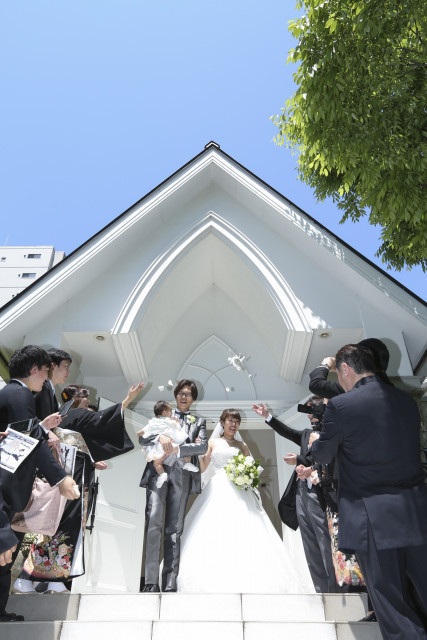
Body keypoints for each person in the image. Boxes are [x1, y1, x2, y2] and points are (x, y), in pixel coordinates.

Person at [311, 344, 427, 640]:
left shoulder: (342, 406)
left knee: (390, 601)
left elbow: (323, 455)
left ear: (346, 369)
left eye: (340, 374)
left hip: (372, 516)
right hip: (415, 511)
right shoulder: (405, 400)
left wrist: (315, 441)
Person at [18, 382, 143, 592]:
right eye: (85, 398)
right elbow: (103, 419)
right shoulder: (74, 415)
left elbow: (81, 446)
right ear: (75, 399)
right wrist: (127, 399)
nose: (88, 402)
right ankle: (50, 580)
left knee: (53, 526)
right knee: (65, 525)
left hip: (63, 473)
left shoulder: (62, 418)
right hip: (71, 478)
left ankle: (31, 578)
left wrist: (92, 460)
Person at [177, 408, 313, 593]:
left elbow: (251, 469)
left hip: (239, 489)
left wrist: (247, 475)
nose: (233, 425)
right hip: (217, 488)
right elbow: (203, 468)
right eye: (230, 420)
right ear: (223, 422)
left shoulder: (242, 446)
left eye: (237, 421)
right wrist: (196, 453)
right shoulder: (213, 442)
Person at [0, 345, 78, 621]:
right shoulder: (20, 393)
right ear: (35, 369)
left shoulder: (14, 394)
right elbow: (30, 443)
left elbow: (30, 434)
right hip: (4, 488)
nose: (47, 378)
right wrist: (60, 478)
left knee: (6, 553)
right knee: (5, 549)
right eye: (46, 371)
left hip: (8, 488)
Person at [252, 397, 341, 593]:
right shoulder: (306, 434)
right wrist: (268, 417)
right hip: (302, 494)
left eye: (312, 409)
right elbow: (288, 432)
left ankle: (336, 591)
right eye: (307, 410)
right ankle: (322, 591)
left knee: (325, 541)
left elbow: (329, 460)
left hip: (322, 494)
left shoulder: (331, 433)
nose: (309, 414)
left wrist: (300, 460)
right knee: (309, 544)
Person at [139, 379, 207, 592]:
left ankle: (169, 582)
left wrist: (178, 450)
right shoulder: (161, 415)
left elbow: (202, 445)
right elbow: (142, 439)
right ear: (176, 395)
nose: (184, 396)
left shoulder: (199, 421)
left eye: (188, 394)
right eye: (181, 393)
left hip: (181, 474)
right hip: (158, 472)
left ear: (193, 398)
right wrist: (159, 435)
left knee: (174, 529)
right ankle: (150, 582)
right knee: (153, 522)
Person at [138, 401, 198, 489]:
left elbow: (141, 433)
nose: (171, 414)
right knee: (183, 447)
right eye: (170, 412)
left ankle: (162, 474)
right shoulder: (171, 421)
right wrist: (176, 423)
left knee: (157, 463)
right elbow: (141, 438)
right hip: (171, 444)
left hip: (158, 449)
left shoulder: (152, 422)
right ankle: (186, 463)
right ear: (164, 412)